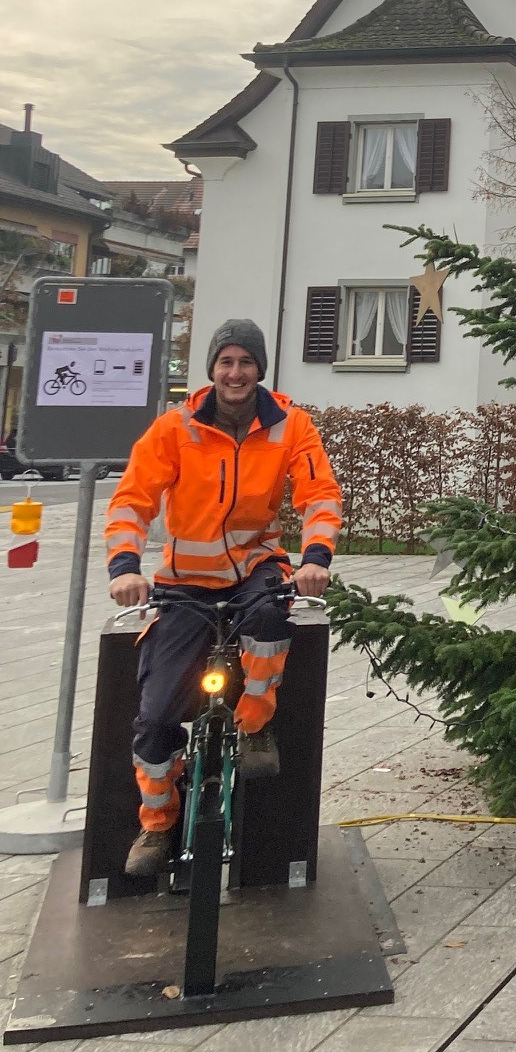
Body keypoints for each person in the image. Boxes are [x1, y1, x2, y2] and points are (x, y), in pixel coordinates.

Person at [104, 318, 342, 878]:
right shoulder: (174, 427)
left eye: (246, 362)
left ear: (260, 369)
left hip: (256, 566)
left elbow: (320, 496)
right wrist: (124, 567)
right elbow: (131, 499)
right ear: (211, 370)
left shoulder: (291, 426)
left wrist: (315, 560)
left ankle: (255, 725)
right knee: (156, 714)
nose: (236, 373)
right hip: (185, 580)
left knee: (269, 617)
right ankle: (156, 825)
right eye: (225, 362)